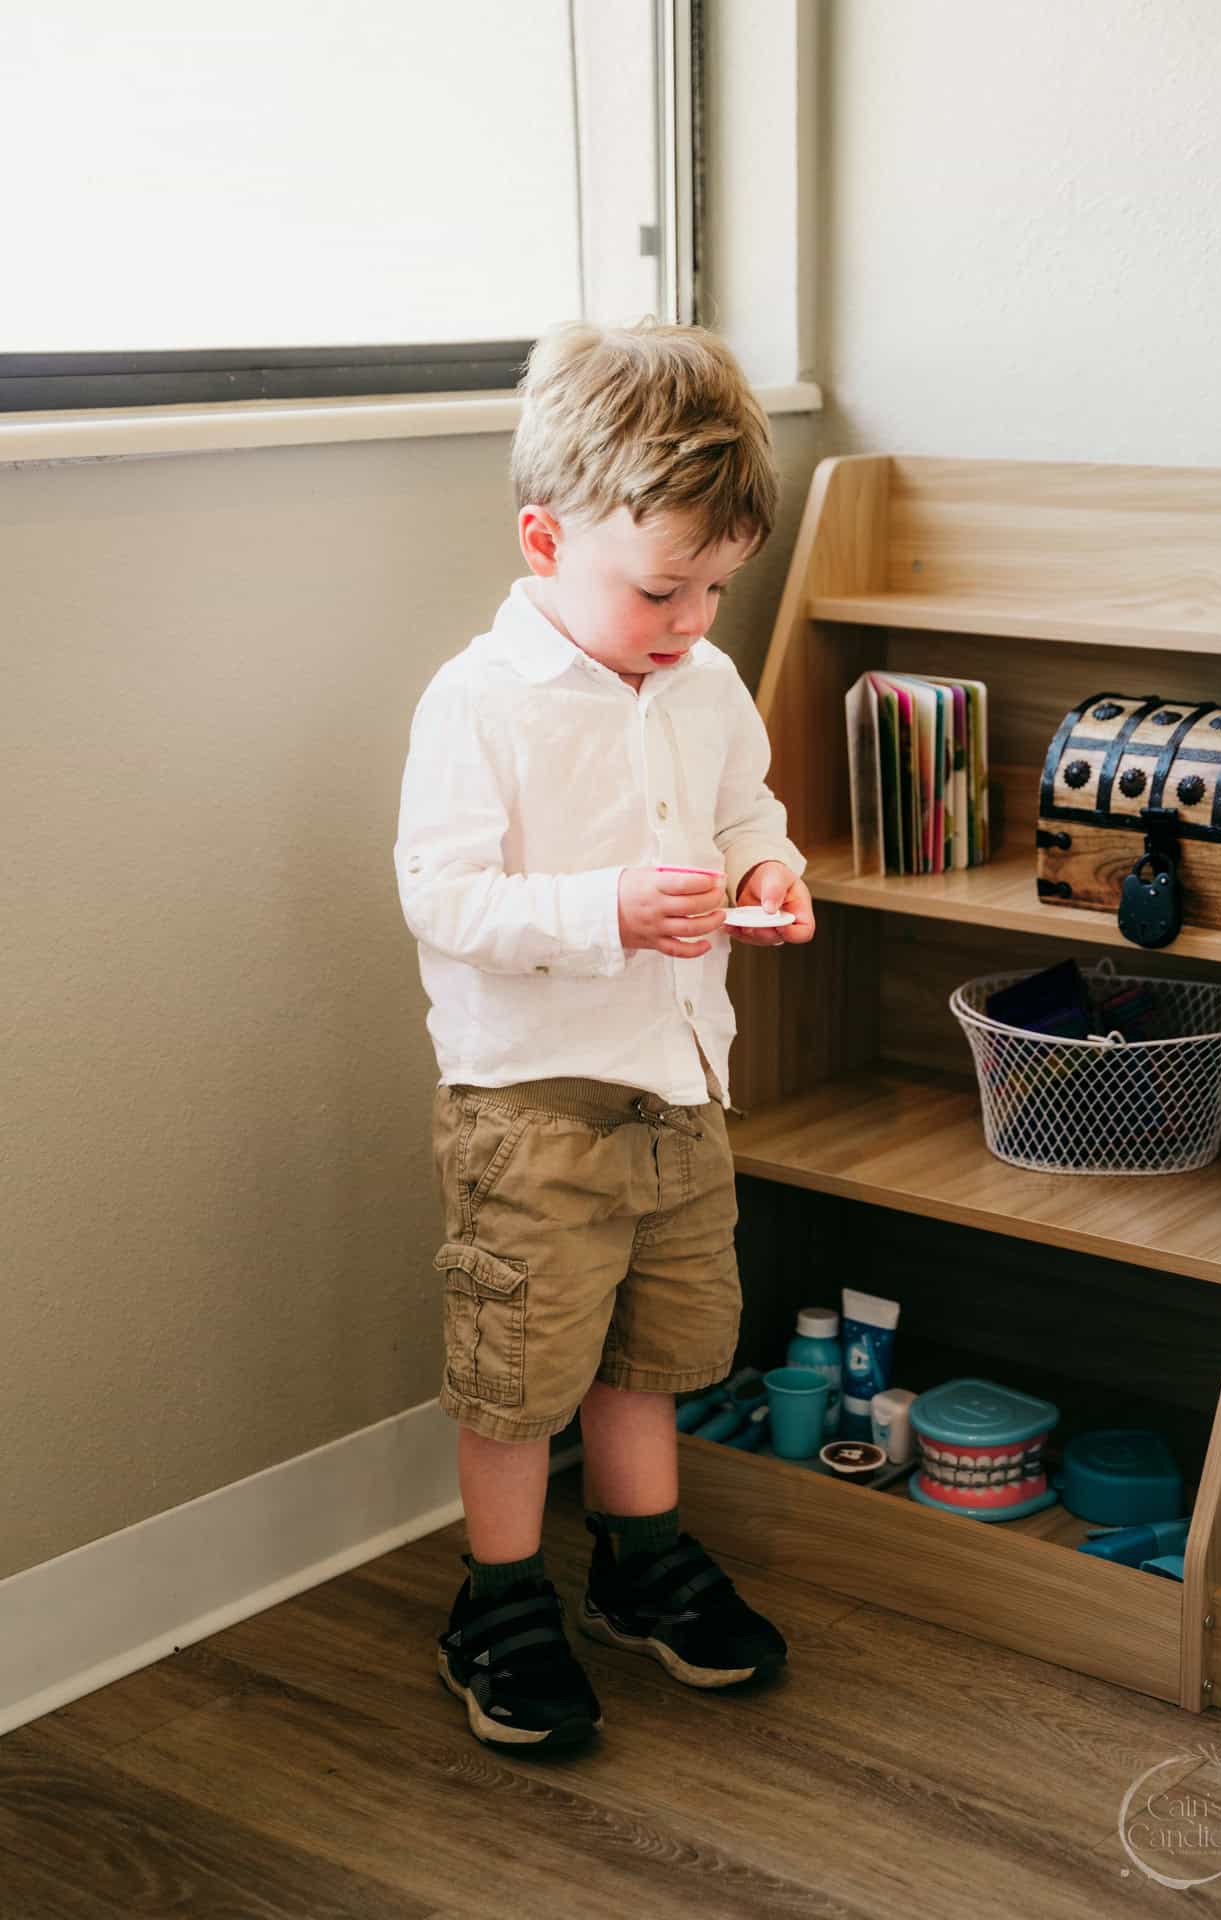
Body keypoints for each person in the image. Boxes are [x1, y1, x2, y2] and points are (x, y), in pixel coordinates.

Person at [393, 319, 814, 1752]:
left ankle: (641, 1561)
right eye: (662, 588)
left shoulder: (701, 682)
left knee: (652, 1350)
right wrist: (610, 910)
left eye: (714, 587)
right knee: (520, 1372)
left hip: (679, 1090)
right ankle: (498, 1596)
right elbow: (441, 895)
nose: (694, 619)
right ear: (544, 538)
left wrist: (769, 871)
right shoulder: (482, 703)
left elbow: (746, 806)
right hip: (534, 1112)